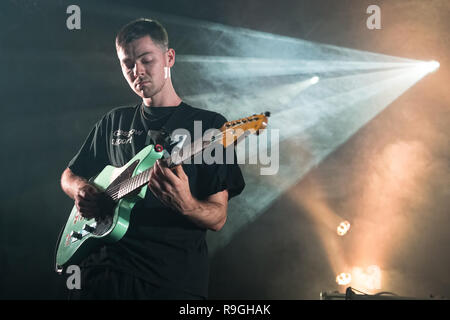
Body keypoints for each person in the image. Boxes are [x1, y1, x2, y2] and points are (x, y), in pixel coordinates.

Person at [60, 18, 245, 300]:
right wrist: (81, 189)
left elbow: (218, 216)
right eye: (128, 64)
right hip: (101, 275)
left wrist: (187, 205)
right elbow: (69, 175)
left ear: (169, 57)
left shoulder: (209, 127)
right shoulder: (114, 121)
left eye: (147, 60)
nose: (138, 72)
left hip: (170, 282)